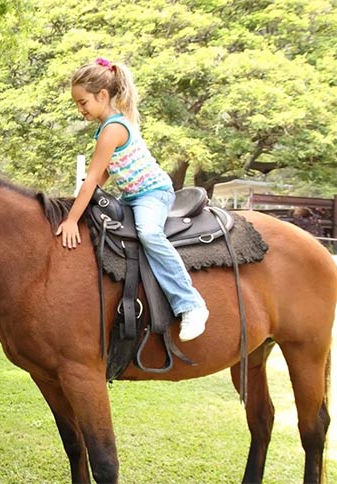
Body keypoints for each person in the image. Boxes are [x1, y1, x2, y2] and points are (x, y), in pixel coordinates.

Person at [56, 57, 209, 342]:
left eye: (83, 102)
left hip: (153, 193)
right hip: (132, 195)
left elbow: (91, 179)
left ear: (102, 95)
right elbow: (101, 177)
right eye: (77, 104)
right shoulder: (106, 127)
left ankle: (191, 303)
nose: (80, 110)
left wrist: (71, 219)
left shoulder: (113, 129)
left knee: (149, 233)